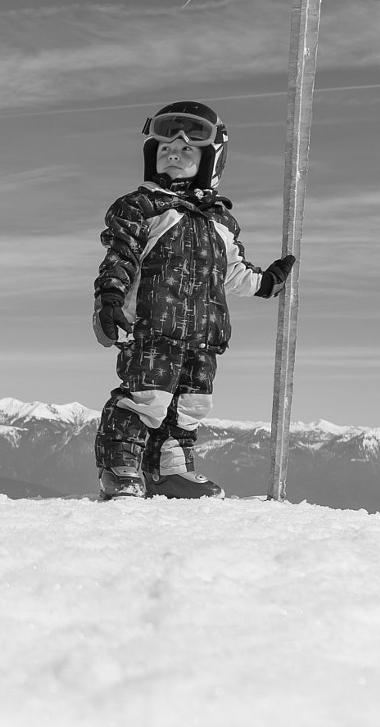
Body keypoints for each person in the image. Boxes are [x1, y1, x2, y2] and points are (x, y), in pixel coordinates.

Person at [90, 100, 294, 500]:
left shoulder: (220, 221)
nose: (174, 153)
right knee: (146, 398)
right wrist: (110, 297)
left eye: (187, 149)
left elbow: (232, 273)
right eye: (166, 147)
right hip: (153, 326)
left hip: (204, 334)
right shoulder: (142, 207)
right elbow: (120, 256)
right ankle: (121, 465)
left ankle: (169, 470)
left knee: (191, 405)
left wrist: (266, 283)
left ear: (210, 159)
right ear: (152, 155)